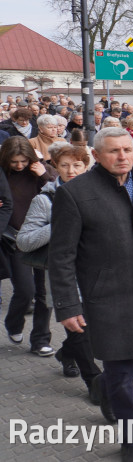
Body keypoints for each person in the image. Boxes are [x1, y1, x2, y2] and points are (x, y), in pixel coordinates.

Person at [49, 127, 133, 460]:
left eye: (127, 149)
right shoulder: (75, 193)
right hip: (105, 297)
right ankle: (131, 440)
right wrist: (67, 305)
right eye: (113, 151)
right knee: (122, 374)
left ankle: (104, 385)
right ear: (96, 156)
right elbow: (61, 255)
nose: (122, 156)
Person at [17, 144, 97, 383]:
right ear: (55, 167)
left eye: (77, 165)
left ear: (86, 166)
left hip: (99, 271)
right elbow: (24, 241)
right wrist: (60, 224)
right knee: (81, 325)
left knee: (93, 326)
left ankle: (66, 353)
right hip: (65, 274)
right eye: (64, 165)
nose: (71, 170)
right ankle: (94, 382)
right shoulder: (45, 200)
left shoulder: (99, 193)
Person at [1, 136, 57, 356]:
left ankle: (40, 340)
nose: (19, 166)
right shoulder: (2, 173)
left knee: (45, 294)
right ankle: (13, 323)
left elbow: (58, 189)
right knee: (25, 291)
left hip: (42, 237)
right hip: (15, 238)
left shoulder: (39, 170)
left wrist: (42, 174)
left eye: (23, 161)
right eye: (14, 162)